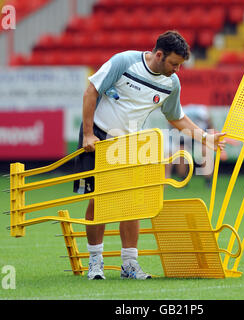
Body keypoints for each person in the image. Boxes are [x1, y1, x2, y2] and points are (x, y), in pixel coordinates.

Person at [73, 30, 228, 280]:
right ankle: (95, 261)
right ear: (158, 54)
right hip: (99, 137)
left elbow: (176, 116)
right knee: (99, 201)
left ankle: (129, 265)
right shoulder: (124, 62)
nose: (177, 70)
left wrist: (204, 136)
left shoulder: (171, 83)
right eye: (174, 64)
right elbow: (91, 91)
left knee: (134, 203)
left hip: (131, 143)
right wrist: (89, 134)